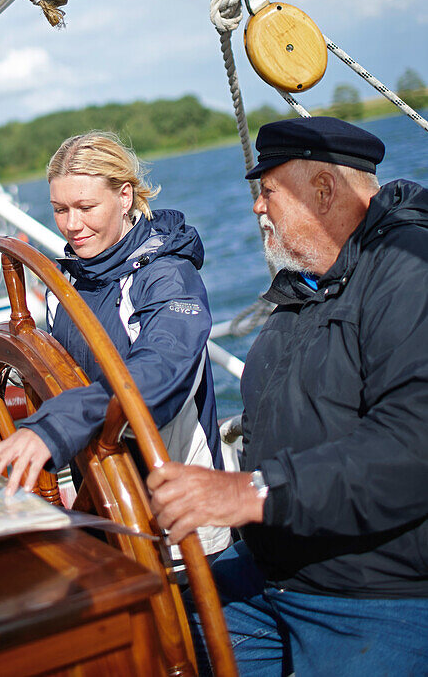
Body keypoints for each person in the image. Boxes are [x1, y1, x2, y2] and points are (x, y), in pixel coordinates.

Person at [147, 116, 428, 675]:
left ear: (323, 190)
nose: (257, 207)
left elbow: (413, 442)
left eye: (268, 190)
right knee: (148, 632)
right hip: (271, 574)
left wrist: (251, 492)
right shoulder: (307, 286)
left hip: (375, 591)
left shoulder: (409, 270)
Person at [0, 131, 230, 557]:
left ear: (125, 197)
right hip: (105, 514)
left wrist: (57, 426)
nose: (72, 225)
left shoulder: (166, 277)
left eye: (85, 207)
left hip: (178, 533)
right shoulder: (71, 283)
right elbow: (59, 369)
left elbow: (159, 375)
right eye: (60, 209)